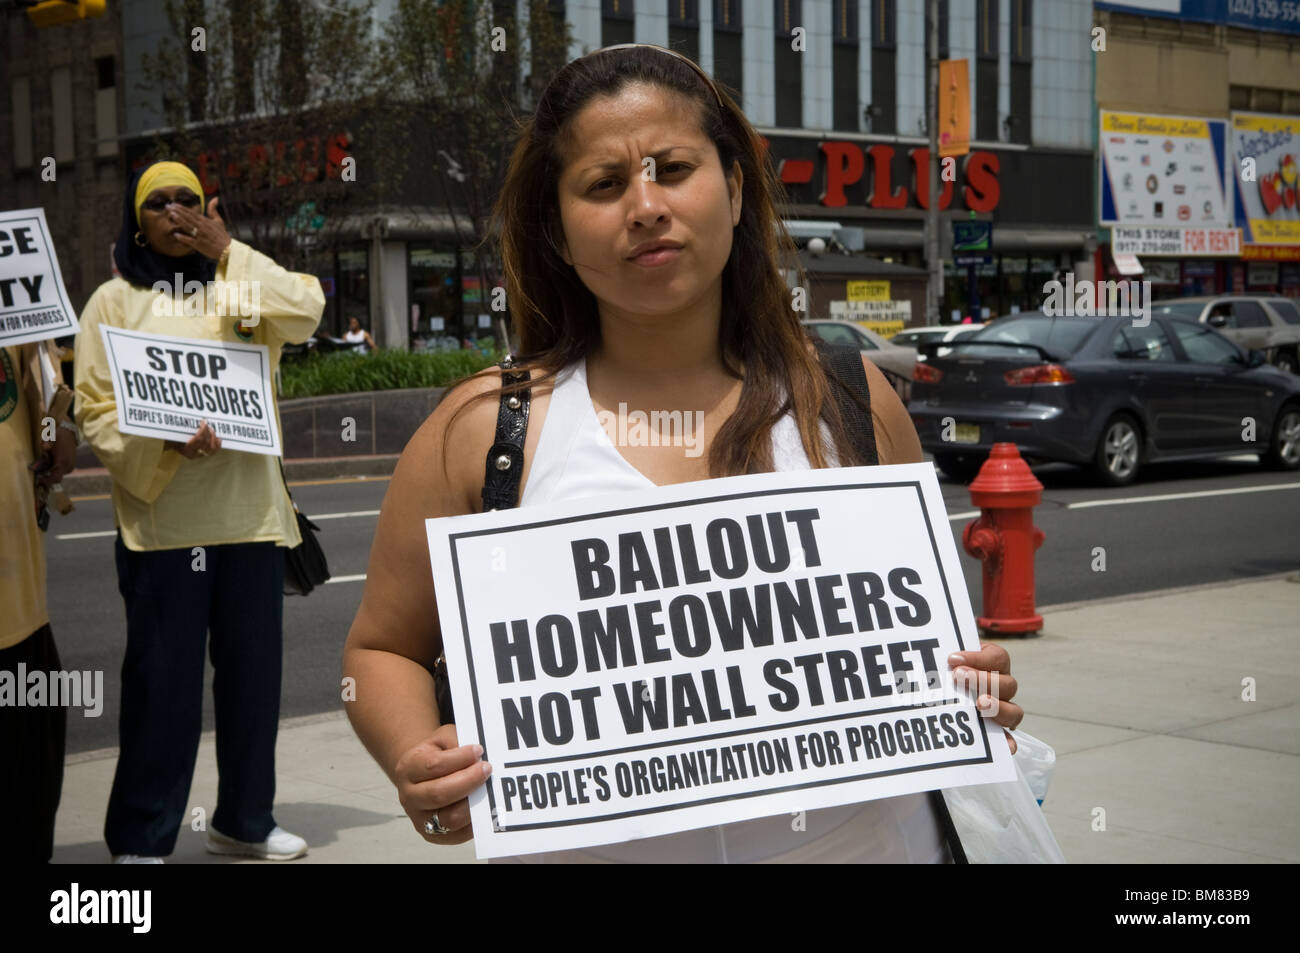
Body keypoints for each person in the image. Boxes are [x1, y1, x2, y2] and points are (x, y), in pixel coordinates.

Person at [343, 45, 1025, 863]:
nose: (645, 205)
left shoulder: (851, 401)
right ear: (557, 231)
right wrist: (418, 760)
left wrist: (975, 687)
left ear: (735, 190)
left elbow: (929, 642)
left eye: (673, 167)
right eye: (603, 184)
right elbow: (380, 649)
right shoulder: (485, 432)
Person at [75, 160, 325, 863]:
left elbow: (307, 310)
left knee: (253, 684)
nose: (177, 211)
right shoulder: (112, 302)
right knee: (164, 690)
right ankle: (144, 836)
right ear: (138, 220)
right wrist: (159, 441)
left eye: (191, 198)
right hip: (164, 530)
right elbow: (93, 408)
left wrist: (229, 252)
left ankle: (245, 820)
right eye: (161, 202)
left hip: (250, 521)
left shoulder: (241, 283)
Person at [0, 338, 77, 862]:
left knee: (29, 797)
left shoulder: (15, 288)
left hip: (21, 607)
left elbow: (49, 403)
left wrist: (60, 429)